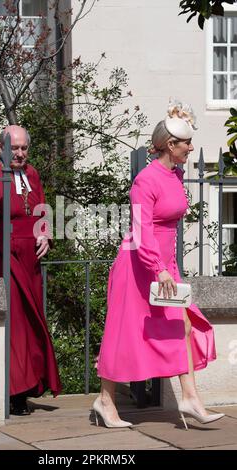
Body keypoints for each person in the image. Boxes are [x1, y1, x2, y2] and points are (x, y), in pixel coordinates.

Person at [93, 99, 225, 430]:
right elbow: (141, 229)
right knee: (125, 335)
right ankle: (105, 400)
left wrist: (168, 266)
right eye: (186, 143)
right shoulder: (145, 181)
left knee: (181, 325)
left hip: (163, 265)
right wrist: (159, 267)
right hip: (139, 266)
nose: (191, 147)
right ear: (170, 145)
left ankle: (190, 398)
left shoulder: (175, 175)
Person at [0, 125, 62, 415]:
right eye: (13, 148)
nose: (19, 154)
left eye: (23, 148)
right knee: (13, 328)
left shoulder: (32, 174)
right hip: (1, 257)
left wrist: (45, 234)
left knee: (31, 326)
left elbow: (41, 210)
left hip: (30, 259)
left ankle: (27, 389)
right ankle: (12, 393)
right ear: (0, 147)